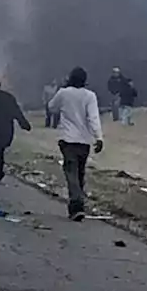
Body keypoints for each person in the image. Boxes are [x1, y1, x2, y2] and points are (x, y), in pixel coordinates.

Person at [48, 66, 104, 221]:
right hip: (84, 141)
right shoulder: (90, 96)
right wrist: (99, 137)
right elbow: (93, 117)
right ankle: (79, 203)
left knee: (70, 171)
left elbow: (51, 107)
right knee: (80, 172)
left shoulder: (63, 93)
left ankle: (76, 203)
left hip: (68, 139)